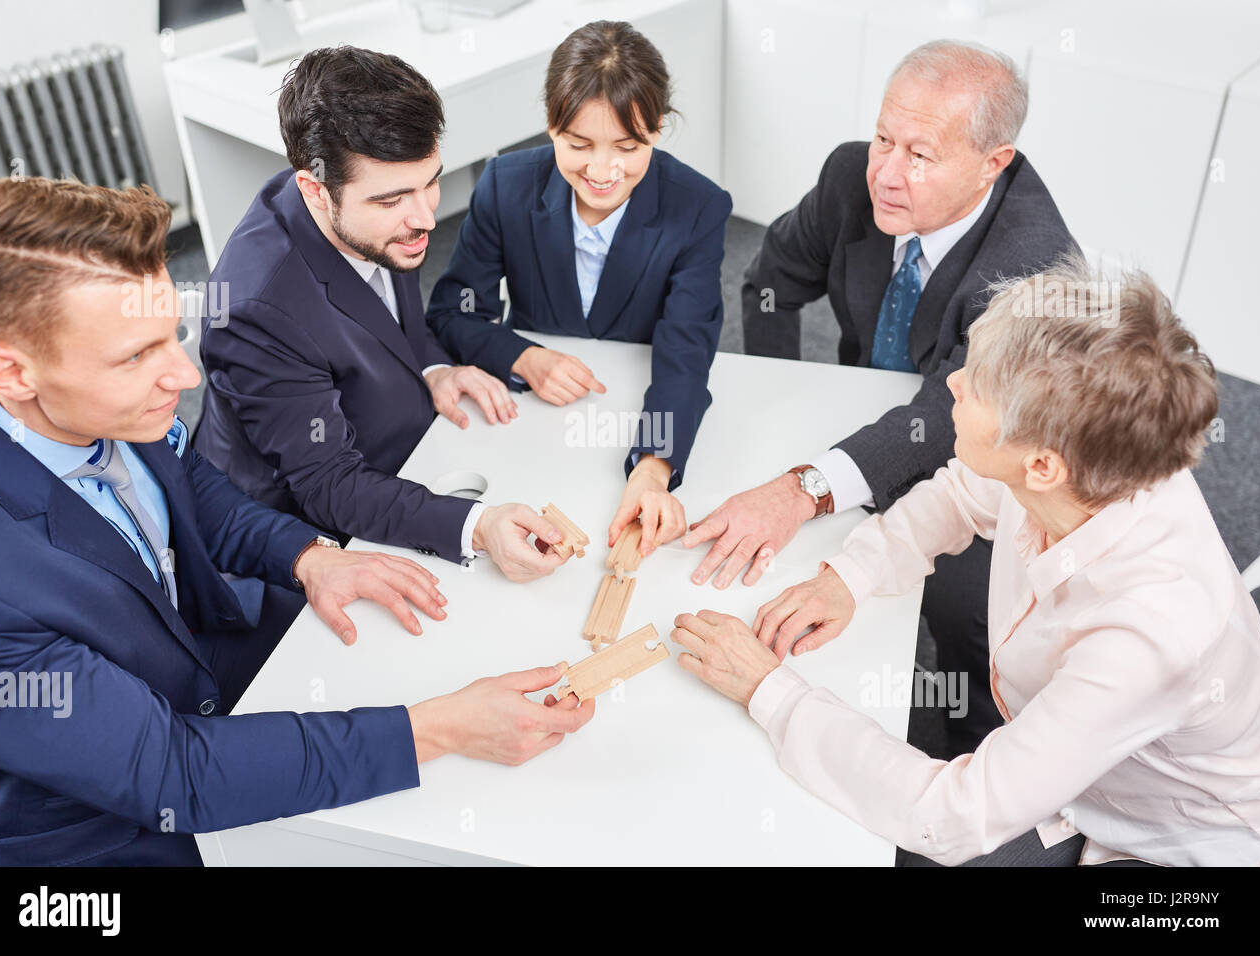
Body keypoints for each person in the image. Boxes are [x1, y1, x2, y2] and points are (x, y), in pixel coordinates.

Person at [0, 177, 593, 867]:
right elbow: (177, 773)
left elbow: (190, 486)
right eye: (137, 357)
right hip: (96, 833)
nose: (183, 376)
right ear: (12, 374)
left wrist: (307, 556)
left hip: (191, 669)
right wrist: (435, 730)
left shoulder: (95, 394)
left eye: (171, 335)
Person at [673, 260, 1260, 867]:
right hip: (1077, 758)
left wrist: (770, 691)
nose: (952, 384)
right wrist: (853, 576)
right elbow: (961, 493)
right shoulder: (1090, 465)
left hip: (1166, 844)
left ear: (1041, 466)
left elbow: (949, 818)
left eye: (977, 384)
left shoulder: (1149, 635)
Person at [683, 40, 1076, 759]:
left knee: (966, 617)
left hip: (988, 467)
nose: (885, 175)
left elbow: (943, 421)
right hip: (871, 416)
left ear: (995, 162)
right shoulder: (850, 175)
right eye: (883, 138)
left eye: (919, 155)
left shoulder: (1032, 267)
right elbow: (770, 281)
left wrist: (802, 488)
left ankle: (974, 738)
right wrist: (787, 398)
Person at [194, 46, 565, 584]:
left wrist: (435, 367)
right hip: (304, 531)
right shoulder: (255, 312)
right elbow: (328, 485)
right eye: (393, 199)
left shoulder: (371, 213)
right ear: (314, 191)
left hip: (402, 446)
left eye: (431, 181)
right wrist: (477, 527)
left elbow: (388, 320)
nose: (425, 218)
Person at [426, 20, 733, 559]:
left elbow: (685, 353)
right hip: (528, 422)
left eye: (627, 146)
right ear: (551, 125)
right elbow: (453, 312)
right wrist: (523, 356)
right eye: (579, 144)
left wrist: (653, 467)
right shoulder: (504, 186)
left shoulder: (698, 207)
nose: (602, 170)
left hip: (635, 405)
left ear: (657, 130)